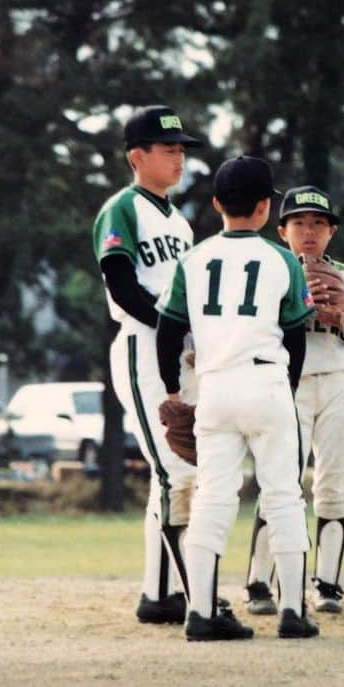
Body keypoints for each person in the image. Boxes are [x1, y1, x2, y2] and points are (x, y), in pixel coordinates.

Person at [156, 156, 318, 641]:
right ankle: (293, 612)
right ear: (267, 207)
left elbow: (168, 330)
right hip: (266, 381)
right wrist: (286, 391)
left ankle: (201, 611)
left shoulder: (195, 257)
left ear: (216, 204)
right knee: (284, 495)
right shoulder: (282, 259)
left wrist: (171, 388)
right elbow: (296, 334)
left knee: (212, 498)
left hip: (216, 388)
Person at [243, 186, 344, 616]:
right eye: (299, 223)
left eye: (318, 224)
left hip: (340, 377)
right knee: (281, 481)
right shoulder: (272, 270)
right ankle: (259, 582)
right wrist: (300, 313)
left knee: (333, 484)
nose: (308, 232)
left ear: (332, 230)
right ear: (281, 230)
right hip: (291, 382)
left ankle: (328, 584)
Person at [92, 105, 204, 626]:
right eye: (169, 149)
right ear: (137, 156)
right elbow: (121, 285)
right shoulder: (122, 209)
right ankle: (191, 595)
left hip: (177, 353)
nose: (179, 157)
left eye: (182, 149)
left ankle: (158, 593)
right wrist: (171, 328)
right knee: (175, 471)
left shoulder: (179, 222)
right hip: (141, 347)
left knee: (183, 473)